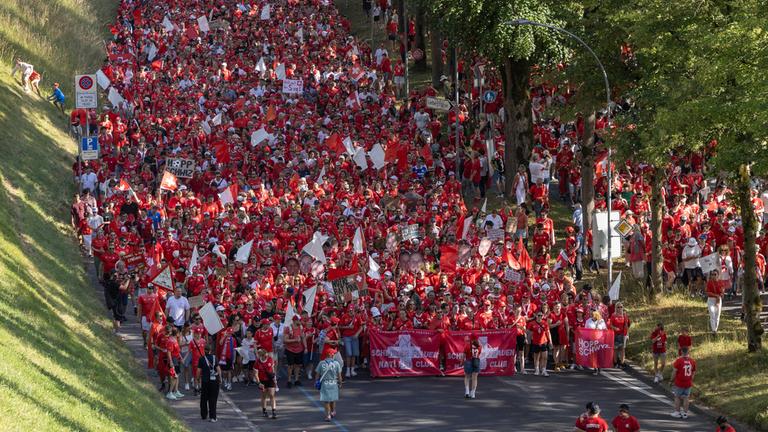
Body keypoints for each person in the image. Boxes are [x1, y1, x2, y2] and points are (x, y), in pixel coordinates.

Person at [316, 348, 343, 422]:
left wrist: (316, 382)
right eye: (333, 353)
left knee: (326, 400)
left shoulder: (321, 363)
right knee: (332, 399)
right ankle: (333, 411)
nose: (334, 355)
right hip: (334, 383)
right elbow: (339, 375)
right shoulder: (336, 363)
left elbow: (317, 374)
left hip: (325, 383)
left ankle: (328, 415)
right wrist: (340, 383)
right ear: (330, 354)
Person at [197, 344, 222, 422]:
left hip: (205, 381)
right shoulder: (215, 358)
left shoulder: (201, 359)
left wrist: (197, 379)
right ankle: (213, 417)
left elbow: (198, 371)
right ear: (211, 351)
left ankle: (204, 415)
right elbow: (218, 369)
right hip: (214, 381)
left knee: (204, 398)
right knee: (213, 399)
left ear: (204, 350)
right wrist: (220, 378)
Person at [670, 346, 696, 419]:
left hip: (679, 383)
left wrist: (671, 380)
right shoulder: (692, 361)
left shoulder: (678, 361)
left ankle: (677, 412)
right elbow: (693, 372)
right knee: (686, 397)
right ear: (688, 352)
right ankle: (685, 413)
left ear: (681, 352)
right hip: (688, 383)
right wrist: (691, 379)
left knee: (677, 397)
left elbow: (674, 372)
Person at [254, 348, 277, 419]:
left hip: (270, 380)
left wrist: (274, 378)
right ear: (262, 356)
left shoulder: (270, 359)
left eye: (266, 355)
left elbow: (273, 370)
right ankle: (264, 411)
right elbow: (256, 374)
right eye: (265, 355)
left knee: (272, 395)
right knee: (264, 396)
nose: (266, 356)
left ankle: (274, 411)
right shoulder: (257, 362)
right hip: (262, 381)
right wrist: (259, 383)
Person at [527, 311, 552, 376]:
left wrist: (550, 341)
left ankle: (544, 370)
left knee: (545, 357)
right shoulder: (532, 323)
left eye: (541, 315)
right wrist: (527, 340)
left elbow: (548, 332)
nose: (540, 317)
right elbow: (528, 332)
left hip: (544, 341)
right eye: (538, 315)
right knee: (536, 357)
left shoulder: (545, 323)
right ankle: (537, 369)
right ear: (536, 316)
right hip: (535, 342)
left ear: (543, 316)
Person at [283, 316, 306, 387]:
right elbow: (285, 340)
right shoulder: (288, 328)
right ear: (295, 321)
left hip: (299, 349)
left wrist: (305, 347)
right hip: (290, 349)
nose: (301, 321)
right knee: (290, 366)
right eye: (299, 320)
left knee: (298, 365)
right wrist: (295, 340)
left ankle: (296, 380)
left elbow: (303, 337)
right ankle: (289, 381)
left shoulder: (301, 328)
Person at [585, 311, 607, 375]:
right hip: (592, 340)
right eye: (591, 314)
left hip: (600, 340)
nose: (592, 315)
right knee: (593, 355)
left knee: (599, 354)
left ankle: (599, 367)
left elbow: (605, 329)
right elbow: (586, 331)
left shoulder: (601, 321)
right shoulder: (588, 321)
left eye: (594, 314)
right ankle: (595, 368)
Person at [609, 302, 630, 368]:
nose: (620, 308)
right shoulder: (613, 315)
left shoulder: (624, 315)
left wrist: (627, 334)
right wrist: (615, 328)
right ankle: (615, 362)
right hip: (615, 334)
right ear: (616, 308)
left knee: (622, 349)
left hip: (622, 334)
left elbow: (627, 325)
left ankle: (622, 362)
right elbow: (610, 325)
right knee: (615, 349)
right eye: (618, 307)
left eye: (621, 307)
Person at [705, 269, 726, 334]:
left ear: (718, 275)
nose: (713, 276)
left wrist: (720, 295)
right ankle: (713, 330)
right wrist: (716, 295)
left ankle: (715, 330)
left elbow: (722, 293)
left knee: (717, 315)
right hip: (711, 300)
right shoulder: (709, 282)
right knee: (712, 313)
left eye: (715, 274)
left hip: (718, 300)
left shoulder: (721, 282)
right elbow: (708, 292)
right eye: (712, 274)